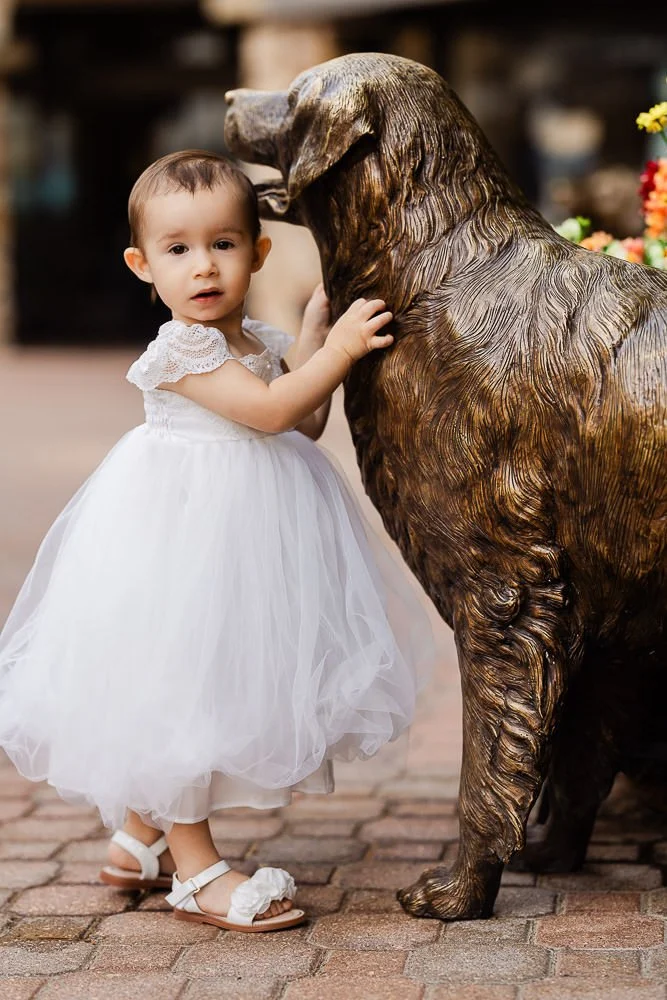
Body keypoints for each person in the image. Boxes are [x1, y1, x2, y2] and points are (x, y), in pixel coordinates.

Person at [0, 149, 435, 932]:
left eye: (224, 245)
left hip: (249, 544)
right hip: (184, 540)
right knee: (183, 685)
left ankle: (139, 838)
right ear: (142, 265)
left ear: (257, 252)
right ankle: (196, 870)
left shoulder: (253, 342)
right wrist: (336, 356)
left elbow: (301, 417)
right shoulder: (178, 352)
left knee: (217, 677)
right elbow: (268, 413)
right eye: (178, 250)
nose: (203, 267)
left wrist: (306, 339)